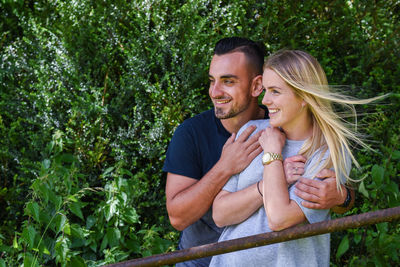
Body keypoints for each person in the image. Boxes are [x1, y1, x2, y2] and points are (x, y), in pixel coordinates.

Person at [163, 38, 353, 267]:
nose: (214, 91)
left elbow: (285, 215)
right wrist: (227, 166)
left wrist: (345, 196)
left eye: (228, 81)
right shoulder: (194, 133)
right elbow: (192, 215)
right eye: (212, 80)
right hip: (200, 260)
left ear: (256, 86)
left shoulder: (304, 141)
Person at [210, 49, 382, 266]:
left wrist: (272, 154)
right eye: (265, 90)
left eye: (275, 91)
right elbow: (220, 213)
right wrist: (266, 184)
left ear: (303, 97)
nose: (265, 100)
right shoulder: (252, 132)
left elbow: (280, 218)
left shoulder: (326, 153)